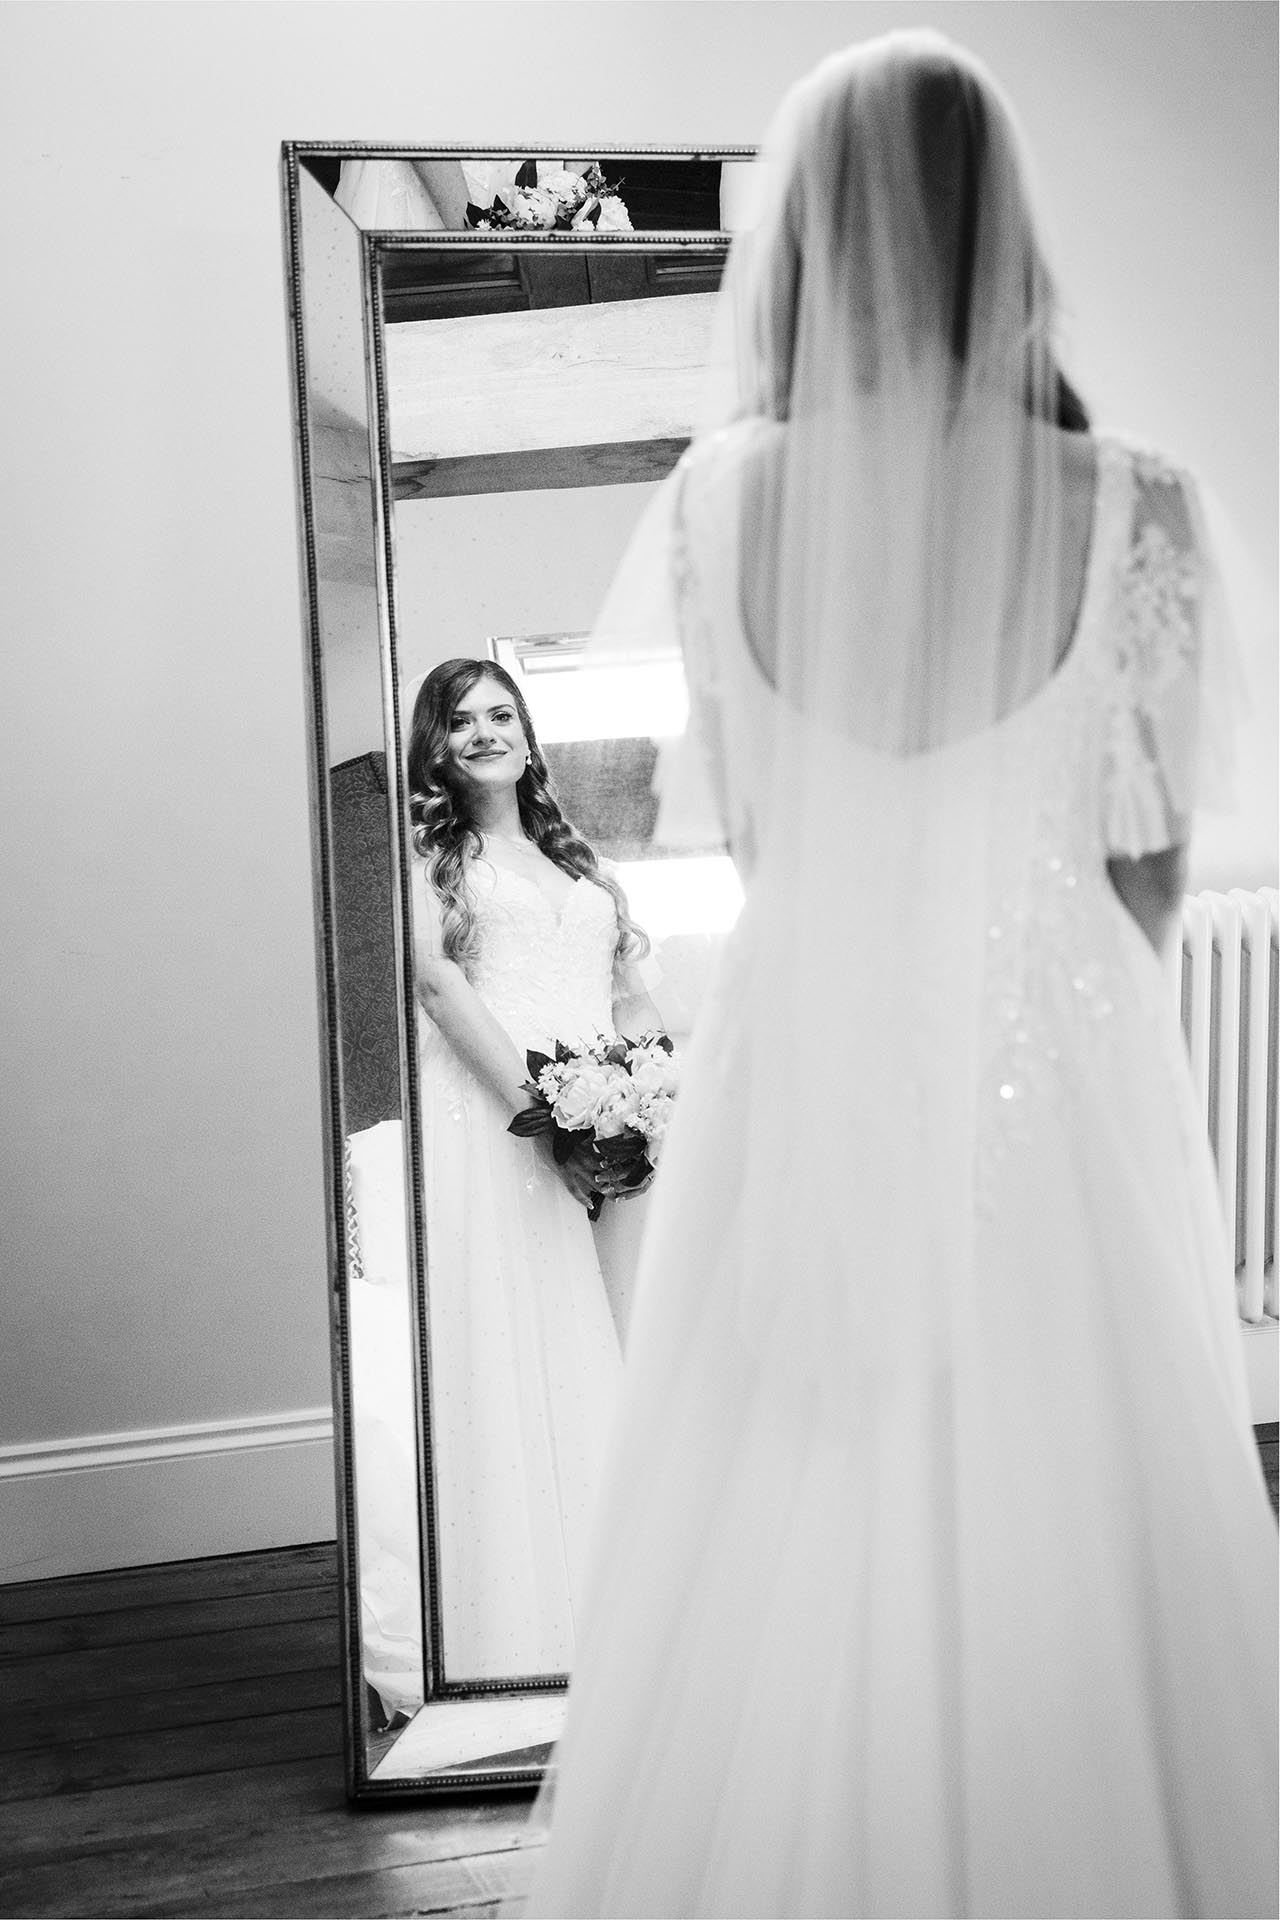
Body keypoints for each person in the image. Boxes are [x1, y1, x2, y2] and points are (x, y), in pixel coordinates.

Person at [519, 30, 1277, 1919]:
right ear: (995, 228)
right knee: (1076, 1516)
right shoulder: (1143, 504)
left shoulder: (716, 507)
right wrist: (1033, 1038)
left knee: (786, 1518)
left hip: (809, 1064)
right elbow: (1150, 870)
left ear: (814, 239)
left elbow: (764, 843)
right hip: (1059, 1065)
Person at [406, 657, 661, 1684]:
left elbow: (631, 992)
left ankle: (618, 1586)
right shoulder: (433, 855)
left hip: (604, 1119)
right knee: (525, 1334)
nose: (482, 732)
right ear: (436, 743)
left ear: (527, 733)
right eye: (459, 719)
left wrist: (636, 1089)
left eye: (500, 713)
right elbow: (434, 982)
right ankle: (521, 1609)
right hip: (494, 1114)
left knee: (606, 1329)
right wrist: (539, 1110)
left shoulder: (576, 859)